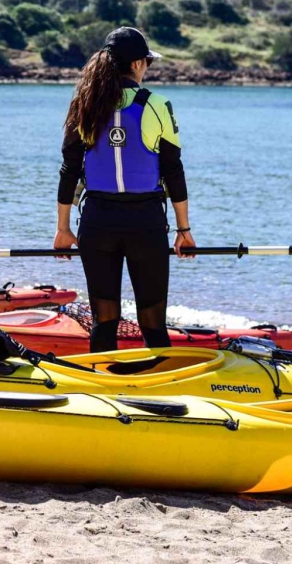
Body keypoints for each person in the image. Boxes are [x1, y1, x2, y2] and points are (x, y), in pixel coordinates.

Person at [54, 26, 194, 353]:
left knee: (104, 320)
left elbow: (69, 170)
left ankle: (102, 381)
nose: (147, 68)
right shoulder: (157, 104)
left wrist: (63, 229)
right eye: (147, 62)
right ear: (136, 64)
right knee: (153, 322)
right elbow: (173, 171)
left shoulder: (84, 104)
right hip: (145, 223)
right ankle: (160, 380)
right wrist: (183, 230)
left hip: (97, 223)